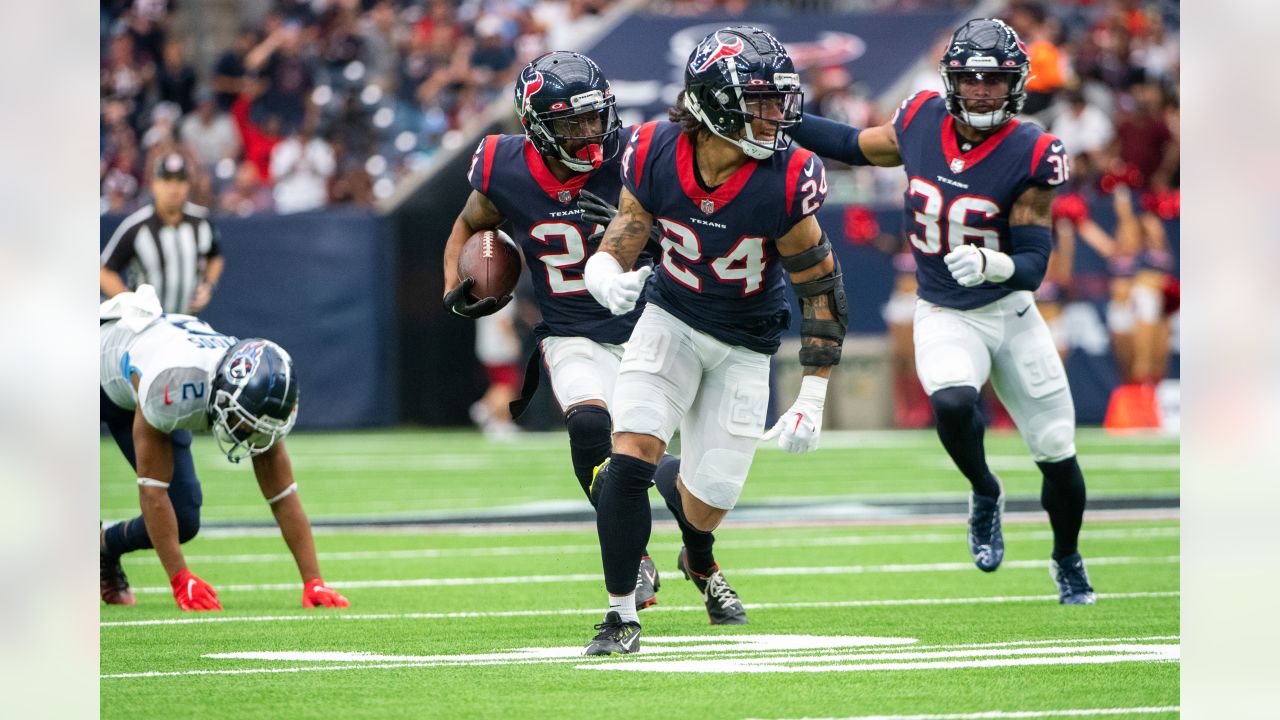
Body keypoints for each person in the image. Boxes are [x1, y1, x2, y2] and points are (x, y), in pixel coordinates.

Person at [789, 18, 1095, 604]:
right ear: (952, 79)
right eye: (971, 77)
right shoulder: (921, 118)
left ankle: (1067, 556)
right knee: (953, 400)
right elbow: (853, 145)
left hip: (1011, 311)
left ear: (1017, 84)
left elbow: (1033, 260)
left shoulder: (1033, 150)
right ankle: (985, 490)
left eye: (994, 79)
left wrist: (995, 265)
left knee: (1056, 451)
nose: (981, 89)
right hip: (944, 310)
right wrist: (783, 119)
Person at [442, 52, 746, 624]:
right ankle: (635, 557)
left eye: (593, 117)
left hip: (650, 328)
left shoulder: (637, 155)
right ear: (534, 126)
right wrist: (455, 286)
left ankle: (702, 564)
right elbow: (469, 225)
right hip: (572, 331)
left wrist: (647, 235)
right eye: (570, 123)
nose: (588, 134)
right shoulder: (501, 166)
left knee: (670, 469)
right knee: (589, 424)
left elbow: (693, 230)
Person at [579, 27, 846, 654]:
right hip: (670, 318)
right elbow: (625, 230)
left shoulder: (786, 178)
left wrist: (812, 394)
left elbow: (821, 290)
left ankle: (698, 559)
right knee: (630, 452)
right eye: (758, 100)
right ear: (709, 102)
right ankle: (621, 616)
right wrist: (604, 272)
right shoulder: (651, 150)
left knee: (707, 505)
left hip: (746, 344)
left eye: (778, 99)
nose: (775, 115)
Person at [99, 285, 349, 612]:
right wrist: (180, 579)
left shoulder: (249, 393)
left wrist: (313, 580)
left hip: (136, 376)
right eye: (246, 424)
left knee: (184, 517)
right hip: (93, 362)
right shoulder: (172, 384)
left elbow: (283, 495)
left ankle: (102, 545)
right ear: (222, 397)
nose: (250, 436)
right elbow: (152, 491)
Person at [101, 152, 225, 315]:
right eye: (167, 181)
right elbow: (104, 272)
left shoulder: (202, 221)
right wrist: (131, 304)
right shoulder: (137, 226)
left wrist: (208, 285)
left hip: (187, 324)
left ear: (188, 185)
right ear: (154, 185)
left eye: (180, 181)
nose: (173, 188)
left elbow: (215, 257)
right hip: (147, 328)